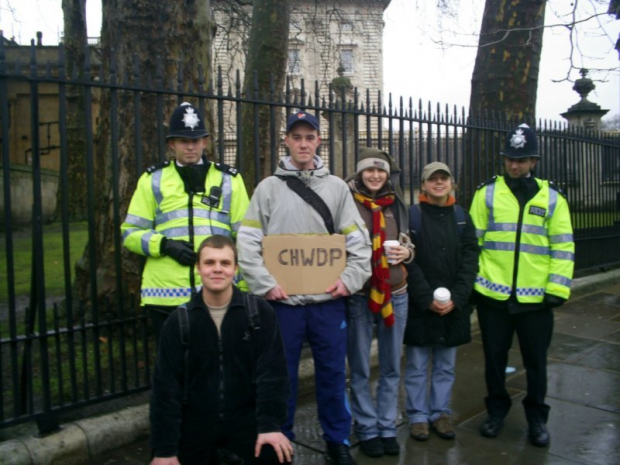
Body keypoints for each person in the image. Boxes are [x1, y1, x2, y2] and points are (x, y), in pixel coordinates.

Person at [237, 112, 371, 465]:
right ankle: (281, 438)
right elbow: (248, 241)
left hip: (328, 301)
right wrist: (265, 285)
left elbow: (358, 241)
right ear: (286, 141)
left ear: (318, 142)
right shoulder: (268, 188)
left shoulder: (337, 188)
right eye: (296, 137)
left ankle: (337, 440)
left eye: (309, 137)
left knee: (331, 372)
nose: (303, 143)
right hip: (282, 304)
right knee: (281, 375)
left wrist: (350, 280)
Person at [470, 124, 574, 447]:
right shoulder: (486, 193)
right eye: (510, 159)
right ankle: (497, 411)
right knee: (494, 360)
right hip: (493, 297)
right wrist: (474, 286)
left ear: (534, 161)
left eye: (523, 159)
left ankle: (537, 419)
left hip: (537, 300)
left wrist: (557, 290)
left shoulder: (553, 198)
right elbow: (473, 245)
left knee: (536, 364)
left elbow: (563, 247)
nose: (515, 165)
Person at [149, 235, 292, 465]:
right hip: (196, 421)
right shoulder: (179, 321)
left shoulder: (258, 313)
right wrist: (164, 449)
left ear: (235, 269)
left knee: (277, 454)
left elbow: (272, 374)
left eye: (225, 263)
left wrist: (269, 426)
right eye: (209, 263)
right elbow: (166, 388)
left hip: (245, 417)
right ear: (198, 268)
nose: (217, 269)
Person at [121, 102, 249, 342]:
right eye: (183, 141)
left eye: (195, 140)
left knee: (216, 364)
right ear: (172, 144)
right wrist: (165, 245)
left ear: (205, 142)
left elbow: (246, 237)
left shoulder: (229, 179)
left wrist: (243, 288)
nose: (190, 146)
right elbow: (130, 233)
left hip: (218, 291)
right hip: (165, 295)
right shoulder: (153, 179)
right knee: (173, 367)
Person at [344, 148, 414, 458]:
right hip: (360, 296)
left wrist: (406, 253)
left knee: (390, 366)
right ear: (359, 174)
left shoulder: (395, 202)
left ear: (388, 174)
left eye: (381, 171)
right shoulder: (346, 202)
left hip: (396, 293)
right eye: (369, 171)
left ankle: (387, 425)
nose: (375, 176)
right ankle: (367, 426)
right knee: (359, 367)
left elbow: (407, 240)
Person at [403, 162, 479, 442]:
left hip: (452, 308)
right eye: (432, 179)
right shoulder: (412, 217)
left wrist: (457, 298)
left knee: (446, 365)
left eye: (443, 178)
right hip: (421, 307)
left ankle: (441, 413)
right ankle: (418, 417)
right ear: (423, 185)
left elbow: (471, 260)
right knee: (417, 365)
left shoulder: (462, 217)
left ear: (451, 183)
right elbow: (407, 261)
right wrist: (425, 298)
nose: (438, 183)